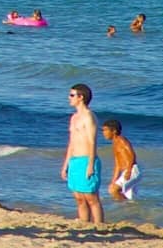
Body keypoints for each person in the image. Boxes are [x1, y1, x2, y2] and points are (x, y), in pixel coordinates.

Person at [62, 83, 103, 224]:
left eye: (72, 95)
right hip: (75, 160)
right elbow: (71, 142)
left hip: (87, 160)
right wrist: (66, 164)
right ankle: (84, 224)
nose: (69, 98)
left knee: (91, 198)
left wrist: (90, 165)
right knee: (79, 197)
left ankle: (99, 226)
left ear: (81, 97)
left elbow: (92, 142)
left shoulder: (89, 116)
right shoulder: (74, 117)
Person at [103, 119, 140, 202]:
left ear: (114, 131)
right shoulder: (114, 144)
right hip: (126, 171)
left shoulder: (121, 140)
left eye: (105, 130)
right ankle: (128, 208)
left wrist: (129, 171)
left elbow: (132, 155)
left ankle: (126, 205)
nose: (103, 133)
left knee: (113, 190)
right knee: (128, 198)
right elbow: (117, 165)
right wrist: (113, 180)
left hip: (132, 170)